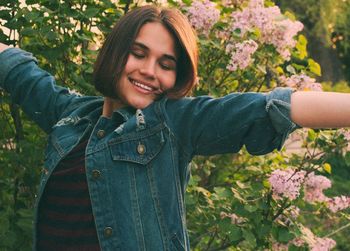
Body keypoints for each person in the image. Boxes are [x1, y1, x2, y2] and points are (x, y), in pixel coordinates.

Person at [0, 5, 349, 251]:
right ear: (114, 53)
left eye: (166, 64)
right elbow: (17, 70)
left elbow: (275, 107)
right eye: (138, 53)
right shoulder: (70, 115)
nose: (150, 70)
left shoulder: (173, 123)